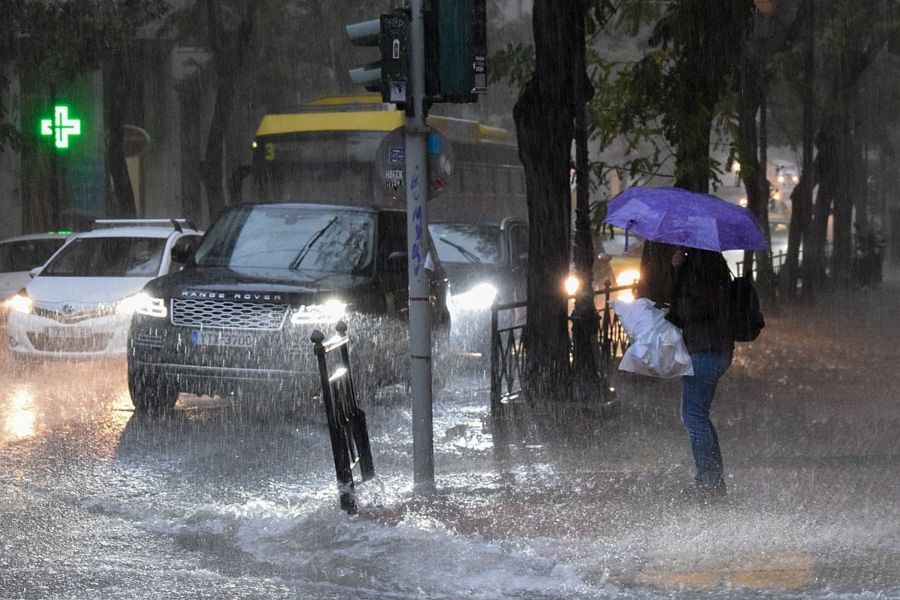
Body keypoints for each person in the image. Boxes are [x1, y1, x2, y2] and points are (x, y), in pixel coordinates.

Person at [638, 241, 734, 503]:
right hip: (713, 347)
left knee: (693, 417)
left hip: (706, 349)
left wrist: (677, 275)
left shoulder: (701, 265)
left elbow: (694, 309)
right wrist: (676, 269)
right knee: (697, 417)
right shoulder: (710, 261)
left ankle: (708, 483)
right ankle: (712, 480)